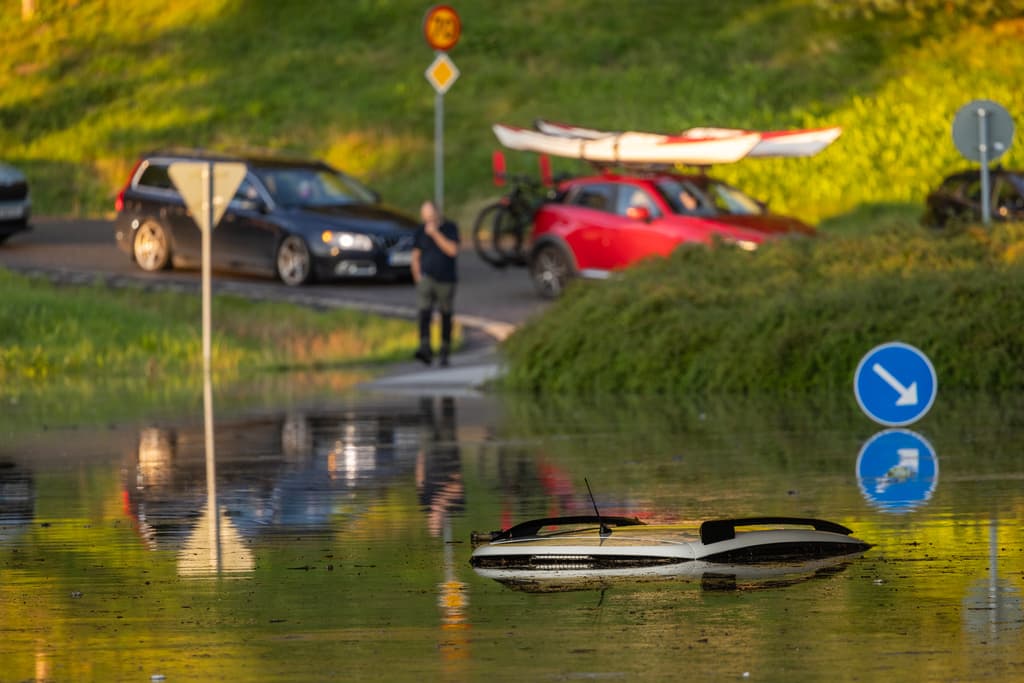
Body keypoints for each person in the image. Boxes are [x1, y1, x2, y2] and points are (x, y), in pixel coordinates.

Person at [411, 200, 460, 367]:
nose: (428, 221)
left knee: (445, 314)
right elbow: (415, 256)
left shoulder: (449, 228)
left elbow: (452, 250)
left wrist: (435, 234)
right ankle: (425, 347)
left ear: (437, 213)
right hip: (427, 278)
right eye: (425, 218)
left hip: (446, 279)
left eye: (431, 217)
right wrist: (418, 277)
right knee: (424, 313)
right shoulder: (420, 231)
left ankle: (445, 350)